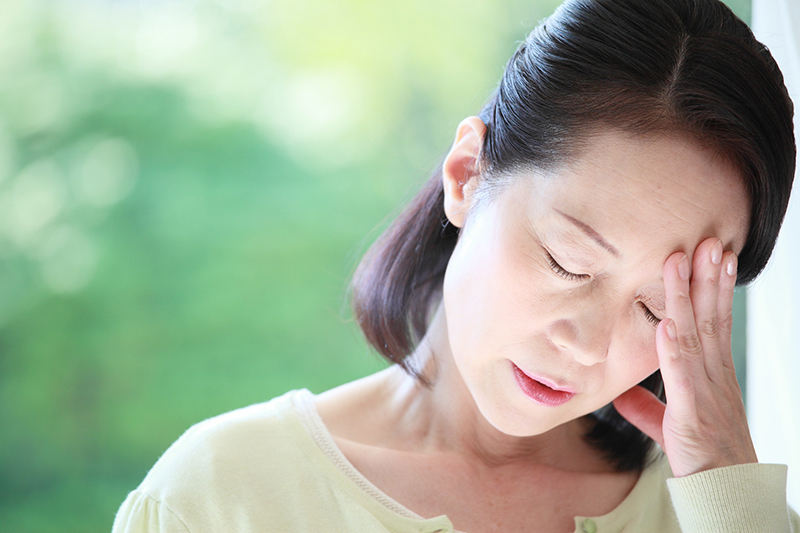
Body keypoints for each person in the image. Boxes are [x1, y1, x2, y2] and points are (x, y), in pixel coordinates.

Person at [112, 0, 800, 531]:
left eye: (655, 307)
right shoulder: (223, 494)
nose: (585, 344)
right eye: (567, 261)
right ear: (468, 174)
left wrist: (732, 495)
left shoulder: (711, 513)